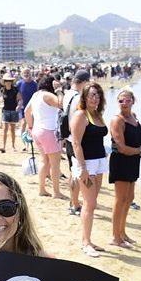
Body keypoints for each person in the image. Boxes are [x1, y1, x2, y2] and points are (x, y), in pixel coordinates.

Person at [68, 82, 109, 257]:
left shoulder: (98, 115)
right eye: (92, 95)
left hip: (99, 162)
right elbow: (76, 142)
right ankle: (85, 243)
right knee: (89, 203)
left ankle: (89, 240)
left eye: (98, 95)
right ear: (84, 97)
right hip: (87, 164)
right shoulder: (81, 115)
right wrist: (83, 168)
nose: (96, 98)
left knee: (93, 203)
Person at [107, 87, 141, 248]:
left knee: (129, 198)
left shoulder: (133, 117)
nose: (124, 103)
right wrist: (138, 150)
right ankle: (115, 237)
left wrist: (137, 151)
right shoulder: (118, 120)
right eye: (121, 100)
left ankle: (122, 233)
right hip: (121, 161)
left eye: (127, 100)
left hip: (133, 161)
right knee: (120, 199)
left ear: (133, 101)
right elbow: (121, 147)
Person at [23, 75, 64, 200]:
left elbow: (26, 111)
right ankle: (56, 192)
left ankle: (42, 189)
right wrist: (59, 90)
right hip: (49, 131)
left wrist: (30, 127)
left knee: (44, 161)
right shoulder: (47, 95)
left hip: (37, 130)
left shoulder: (36, 95)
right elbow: (61, 103)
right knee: (55, 163)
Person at [60, 69, 90, 216]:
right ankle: (75, 204)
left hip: (69, 138)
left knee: (73, 172)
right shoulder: (78, 98)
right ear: (84, 82)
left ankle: (73, 202)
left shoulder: (67, 94)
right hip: (77, 139)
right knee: (77, 174)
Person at [0, 73, 20, 153]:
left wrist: (19, 106)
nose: (8, 82)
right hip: (5, 111)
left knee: (13, 130)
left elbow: (20, 99)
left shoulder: (15, 89)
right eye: (6, 80)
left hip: (14, 111)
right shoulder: (2, 90)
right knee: (5, 130)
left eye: (9, 80)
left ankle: (13, 146)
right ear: (4, 81)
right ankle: (3, 146)